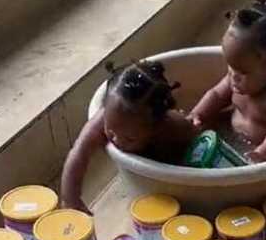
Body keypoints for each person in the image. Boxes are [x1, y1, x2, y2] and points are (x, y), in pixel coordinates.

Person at [60, 60, 197, 210]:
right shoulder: (107, 118)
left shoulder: (174, 128)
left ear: (156, 128)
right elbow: (79, 154)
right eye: (110, 131)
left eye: (129, 138)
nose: (116, 140)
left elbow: (199, 145)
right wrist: (71, 198)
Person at [188, 0, 266, 162]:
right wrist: (197, 114)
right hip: (227, 136)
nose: (233, 75)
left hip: (259, 150)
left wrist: (263, 154)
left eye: (242, 71)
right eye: (230, 66)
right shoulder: (236, 78)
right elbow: (216, 95)